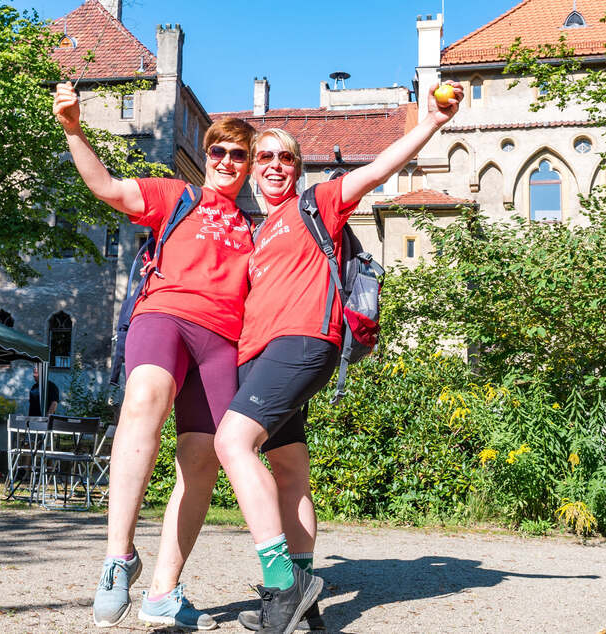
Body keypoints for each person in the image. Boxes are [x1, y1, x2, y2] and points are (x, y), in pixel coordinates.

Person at [214, 82, 464, 634]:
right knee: (289, 470)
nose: (275, 165)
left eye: (286, 157)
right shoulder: (257, 231)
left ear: (298, 169)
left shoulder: (316, 203)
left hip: (302, 343)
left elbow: (376, 171)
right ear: (253, 169)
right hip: (255, 355)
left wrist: (430, 125)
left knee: (232, 443)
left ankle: (283, 585)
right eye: (265, 157)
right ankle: (307, 605)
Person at [53, 81, 256, 630]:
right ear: (207, 157)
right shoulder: (178, 196)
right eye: (218, 150)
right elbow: (108, 188)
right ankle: (118, 557)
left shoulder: (254, 231)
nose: (227, 160)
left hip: (223, 341)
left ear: (251, 166)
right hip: (163, 315)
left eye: (240, 154)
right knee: (144, 398)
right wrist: (73, 128)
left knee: (203, 458)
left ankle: (164, 592)